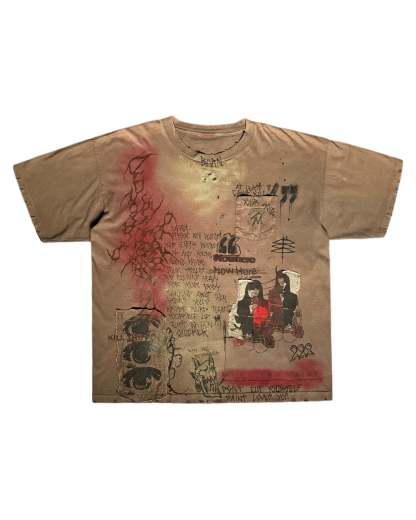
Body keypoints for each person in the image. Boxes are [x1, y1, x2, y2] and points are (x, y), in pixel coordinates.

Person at [235, 279, 274, 347]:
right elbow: (239, 314)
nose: (255, 291)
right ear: (247, 290)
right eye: (252, 289)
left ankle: (263, 338)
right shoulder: (241, 302)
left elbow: (268, 315)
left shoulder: (265, 302)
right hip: (248, 327)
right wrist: (250, 310)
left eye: (257, 289)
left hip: (262, 325)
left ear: (260, 290)